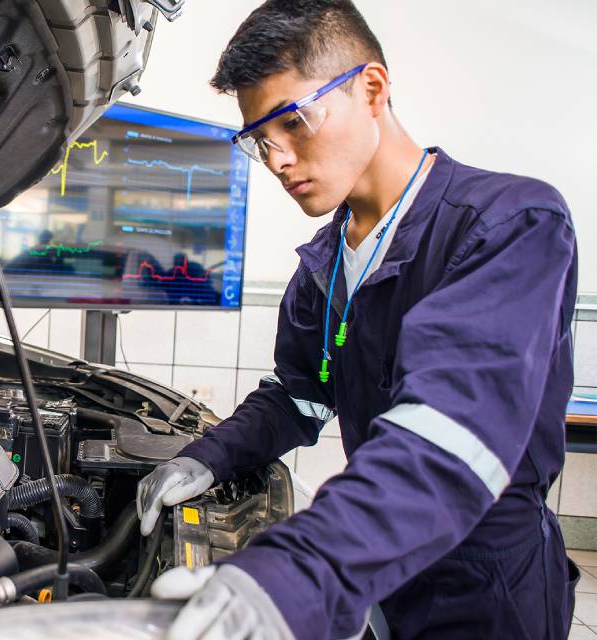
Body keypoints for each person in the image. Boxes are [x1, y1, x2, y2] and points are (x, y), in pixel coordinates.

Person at [136, 1, 580, 638]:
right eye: (259, 139)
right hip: (380, 568)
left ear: (371, 88)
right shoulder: (323, 262)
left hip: (486, 587)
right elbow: (301, 398)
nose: (278, 159)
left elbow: (452, 437)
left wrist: (294, 575)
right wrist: (204, 459)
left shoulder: (509, 224)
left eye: (293, 122)